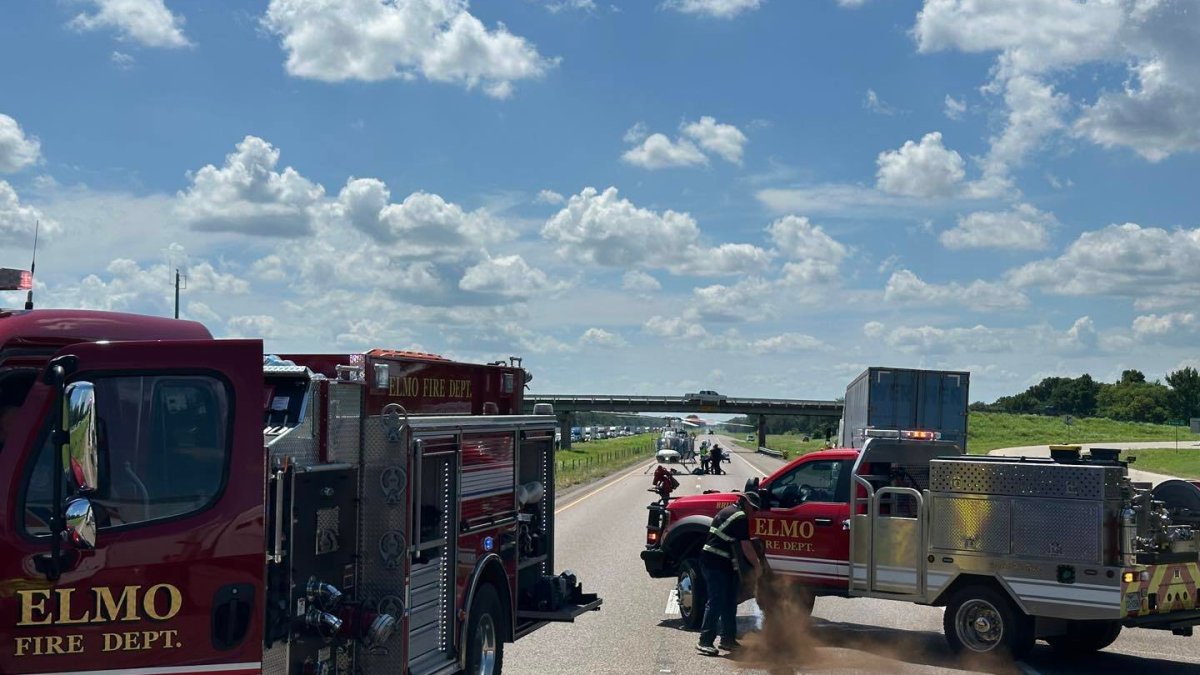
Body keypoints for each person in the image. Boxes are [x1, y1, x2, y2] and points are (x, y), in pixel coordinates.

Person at [696, 492, 762, 656]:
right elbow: (746, 546)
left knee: (729, 602)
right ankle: (704, 641)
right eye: (753, 508)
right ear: (745, 503)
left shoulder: (731, 511)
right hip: (714, 562)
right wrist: (757, 565)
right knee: (716, 601)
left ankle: (728, 640)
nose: (754, 512)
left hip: (723, 562)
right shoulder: (739, 516)